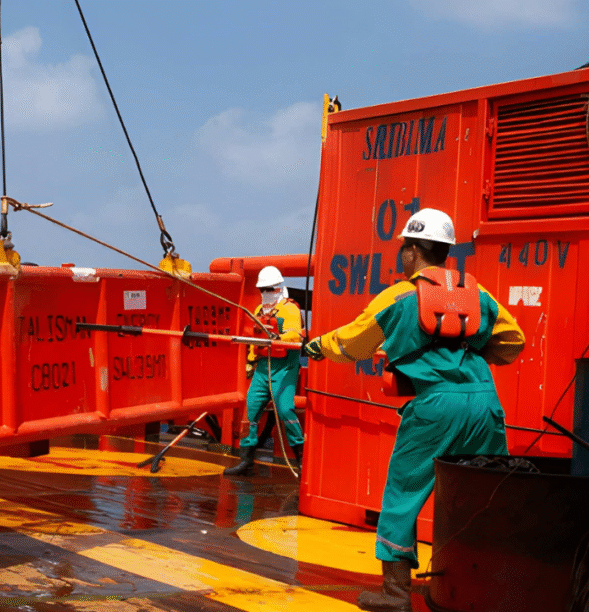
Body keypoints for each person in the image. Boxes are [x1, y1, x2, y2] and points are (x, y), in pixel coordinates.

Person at [302, 208, 525, 612]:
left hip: (435, 406)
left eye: (403, 247)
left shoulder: (399, 296)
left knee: (404, 493)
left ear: (412, 250)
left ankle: (395, 594)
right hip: (485, 400)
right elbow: (513, 342)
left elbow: (353, 343)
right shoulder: (479, 295)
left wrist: (316, 346)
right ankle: (486, 585)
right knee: (485, 491)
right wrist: (465, 350)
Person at [224, 265, 305, 476]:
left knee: (285, 409)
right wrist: (251, 360)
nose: (266, 293)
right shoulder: (259, 311)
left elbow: (295, 335)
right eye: (263, 289)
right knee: (250, 409)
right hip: (263, 367)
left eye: (269, 289)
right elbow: (255, 338)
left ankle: (301, 460)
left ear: (278, 288)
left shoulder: (290, 310)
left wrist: (278, 338)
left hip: (284, 368)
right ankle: (246, 460)